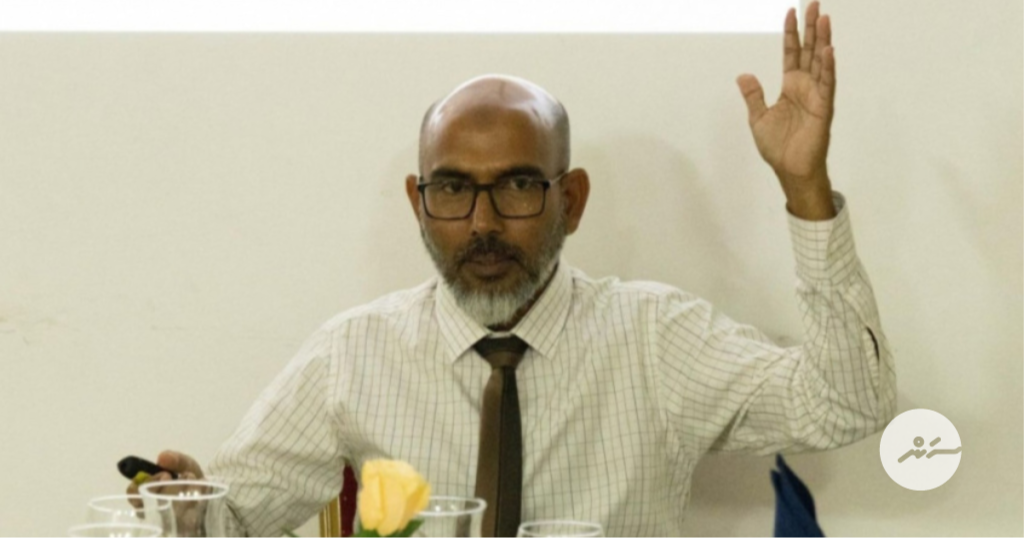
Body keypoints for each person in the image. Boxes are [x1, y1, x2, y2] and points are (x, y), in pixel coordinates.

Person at [128, 3, 897, 537]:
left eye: (519, 187)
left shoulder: (658, 339)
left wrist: (805, 190)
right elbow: (233, 521)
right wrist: (189, 511)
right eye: (453, 190)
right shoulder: (352, 355)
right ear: (419, 203)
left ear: (572, 200)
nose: (483, 223)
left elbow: (846, 406)